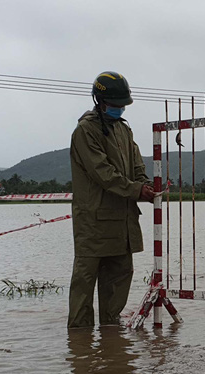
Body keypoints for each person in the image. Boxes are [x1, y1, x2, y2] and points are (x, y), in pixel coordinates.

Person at [67, 71, 155, 328]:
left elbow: (138, 168)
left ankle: (110, 344)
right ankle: (80, 341)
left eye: (122, 106)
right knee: (84, 287)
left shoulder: (123, 131)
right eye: (115, 105)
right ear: (100, 101)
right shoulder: (86, 131)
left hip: (123, 223)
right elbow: (103, 173)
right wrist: (137, 191)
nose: (119, 109)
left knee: (118, 282)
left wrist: (147, 186)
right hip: (93, 223)